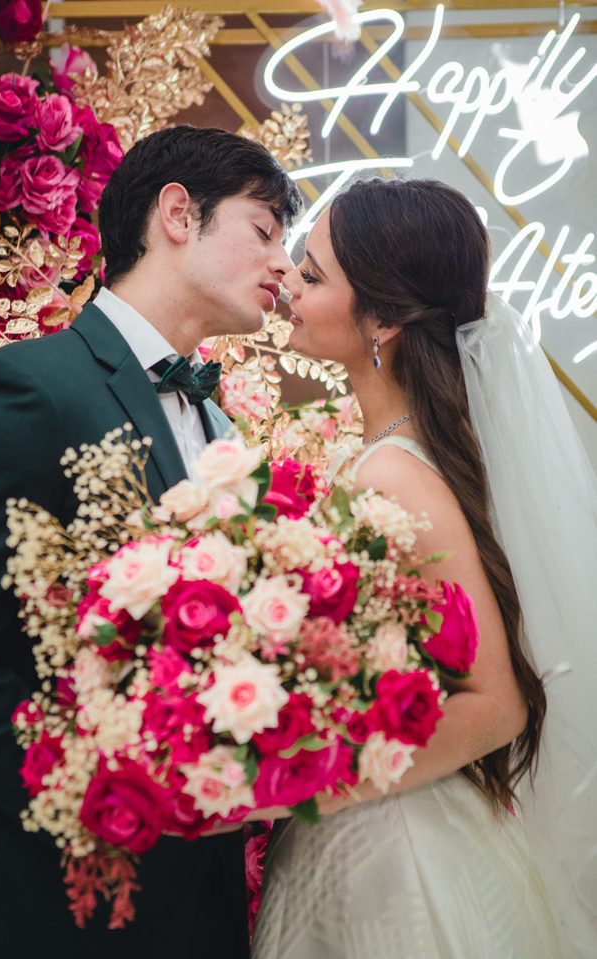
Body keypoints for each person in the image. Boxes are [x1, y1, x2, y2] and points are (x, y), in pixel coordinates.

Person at [0, 125, 300, 959]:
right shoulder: (27, 387)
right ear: (179, 213)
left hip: (198, 901)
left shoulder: (221, 423)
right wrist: (99, 796)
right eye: (265, 229)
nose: (283, 262)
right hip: (45, 896)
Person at [251, 177, 597, 958]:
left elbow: (497, 703)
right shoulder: (394, 456)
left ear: (385, 319)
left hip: (396, 852)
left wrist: (307, 780)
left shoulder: (395, 477)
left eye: (312, 275)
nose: (287, 288)